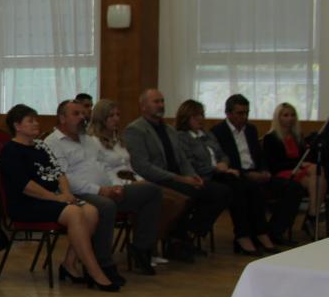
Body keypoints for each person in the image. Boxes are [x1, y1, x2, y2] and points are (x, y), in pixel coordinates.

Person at [0, 105, 117, 291]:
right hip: (27, 203)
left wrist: (66, 193)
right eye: (30, 121)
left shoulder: (41, 146)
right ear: (17, 126)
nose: (36, 123)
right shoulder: (10, 150)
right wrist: (56, 198)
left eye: (36, 120)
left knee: (91, 211)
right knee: (74, 213)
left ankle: (69, 264)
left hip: (52, 198)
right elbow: (26, 186)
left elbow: (59, 173)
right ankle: (95, 272)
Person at [45, 100, 162, 276]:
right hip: (77, 194)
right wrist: (99, 190)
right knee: (106, 206)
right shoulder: (53, 142)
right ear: (62, 118)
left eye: (83, 113)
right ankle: (103, 263)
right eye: (76, 114)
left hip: (106, 188)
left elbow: (104, 166)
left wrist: (116, 186)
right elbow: (63, 178)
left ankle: (141, 248)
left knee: (151, 191)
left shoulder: (87, 139)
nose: (82, 117)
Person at [126, 89, 229, 259]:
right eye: (156, 102)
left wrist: (193, 176)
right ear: (143, 106)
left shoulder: (169, 129)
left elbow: (182, 160)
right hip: (157, 180)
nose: (161, 105)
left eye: (162, 101)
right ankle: (178, 239)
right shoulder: (135, 130)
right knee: (189, 193)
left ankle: (184, 234)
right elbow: (142, 166)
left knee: (220, 191)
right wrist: (180, 178)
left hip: (179, 178)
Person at [175, 100, 274, 255]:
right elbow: (189, 163)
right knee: (235, 189)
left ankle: (260, 231)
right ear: (185, 118)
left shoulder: (208, 135)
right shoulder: (181, 137)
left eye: (202, 115)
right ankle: (241, 236)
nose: (200, 119)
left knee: (252, 187)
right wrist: (216, 168)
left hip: (221, 173)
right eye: (196, 116)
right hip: (204, 176)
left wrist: (224, 164)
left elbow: (223, 154)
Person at [88, 99, 178, 266]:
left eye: (118, 115)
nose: (116, 119)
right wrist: (127, 184)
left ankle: (147, 247)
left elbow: (128, 167)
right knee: (154, 193)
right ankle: (144, 248)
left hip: (129, 180)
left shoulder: (117, 138)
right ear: (101, 118)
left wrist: (140, 180)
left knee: (170, 200)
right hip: (112, 187)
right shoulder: (93, 141)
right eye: (111, 116)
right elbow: (102, 172)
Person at [210, 94, 302, 246]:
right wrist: (246, 174)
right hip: (236, 175)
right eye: (240, 113)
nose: (244, 117)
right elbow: (223, 159)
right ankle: (250, 234)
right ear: (228, 113)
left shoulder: (251, 129)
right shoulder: (218, 132)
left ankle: (274, 231)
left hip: (256, 172)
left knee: (293, 188)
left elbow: (260, 155)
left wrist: (264, 170)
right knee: (250, 188)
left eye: (247, 113)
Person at [264, 102, 326, 235]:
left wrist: (303, 165)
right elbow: (273, 164)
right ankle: (312, 218)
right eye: (286, 115)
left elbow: (303, 157)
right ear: (278, 118)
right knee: (317, 174)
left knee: (317, 174)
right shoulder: (270, 138)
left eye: (292, 115)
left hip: (299, 172)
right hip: (282, 173)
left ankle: (312, 214)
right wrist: (298, 166)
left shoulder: (297, 136)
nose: (290, 118)